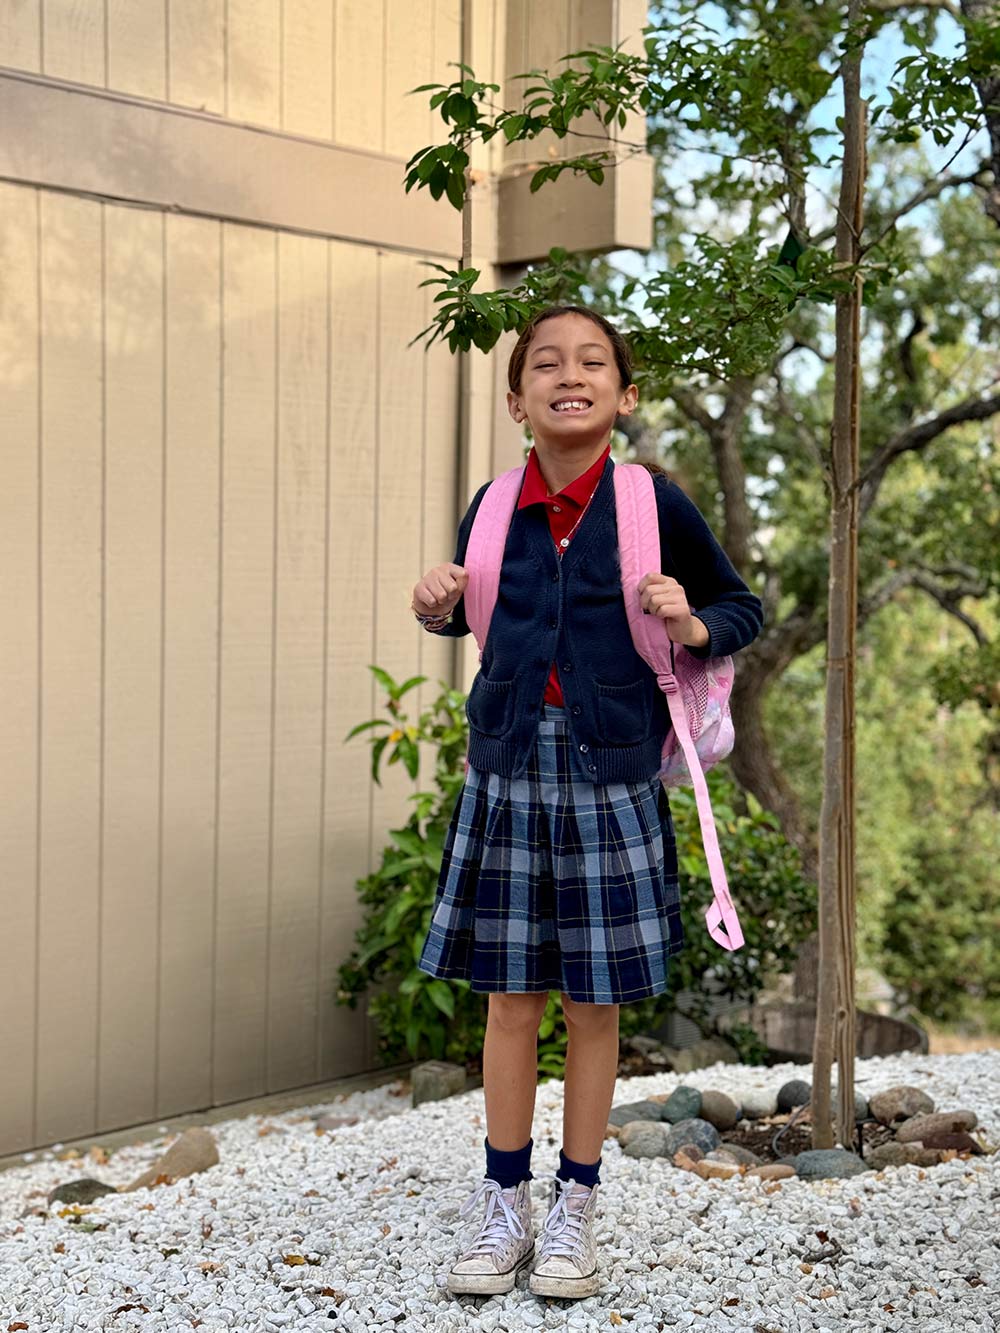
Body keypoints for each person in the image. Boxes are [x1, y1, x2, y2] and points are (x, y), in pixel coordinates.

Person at [409, 305, 764, 1301]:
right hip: (506, 770)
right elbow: (479, 613)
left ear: (625, 393)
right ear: (515, 400)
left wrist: (690, 620)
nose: (570, 375)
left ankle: (577, 1202)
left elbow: (741, 606)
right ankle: (502, 1202)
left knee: (592, 1002)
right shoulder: (492, 505)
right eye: (546, 364)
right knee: (509, 1000)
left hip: (611, 774)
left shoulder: (653, 504)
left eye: (593, 361)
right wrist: (438, 605)